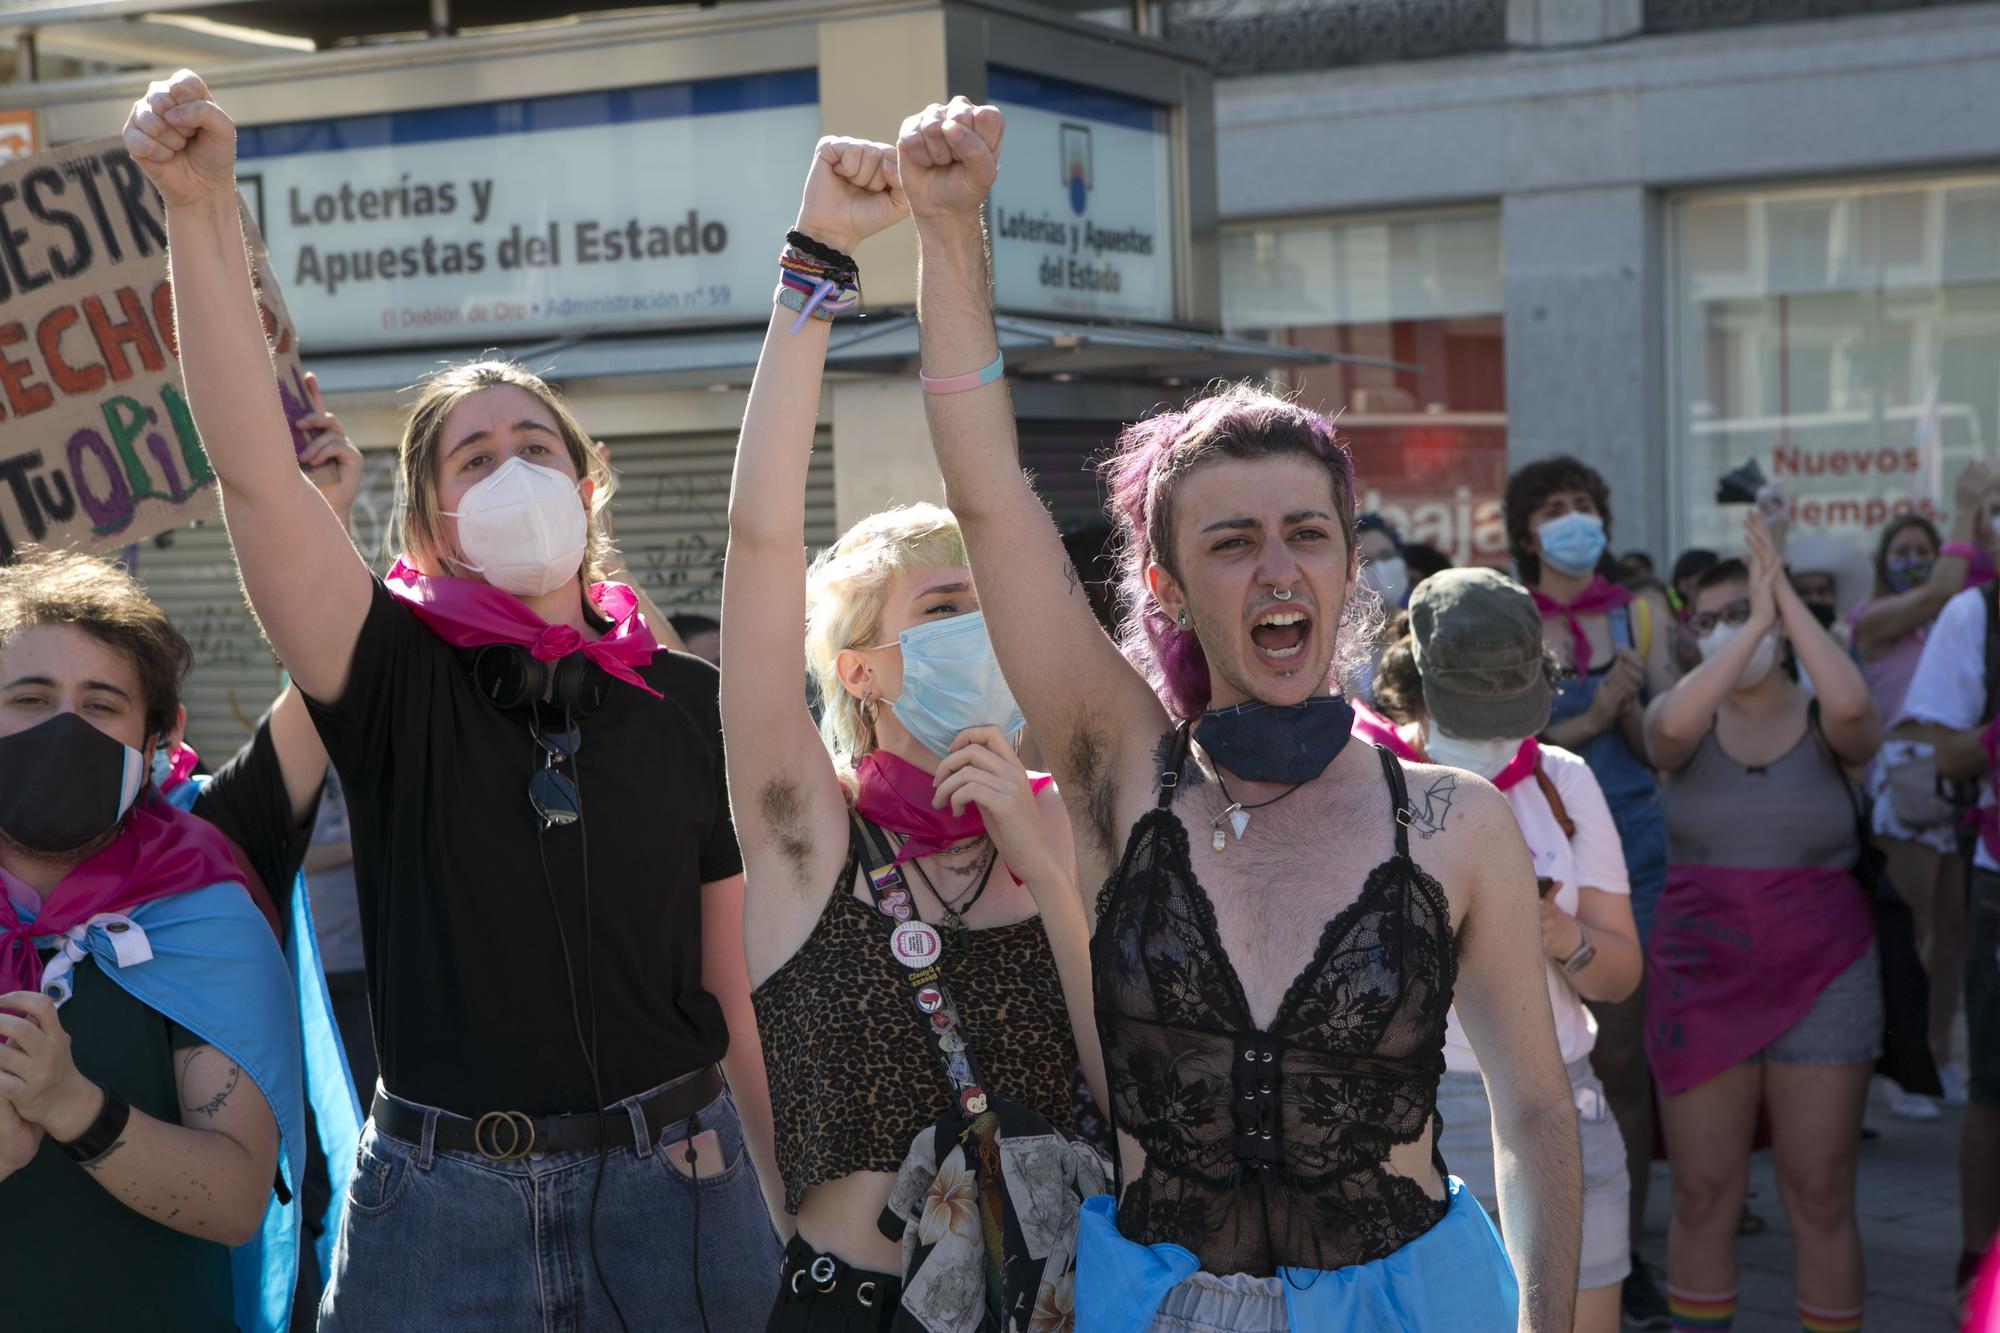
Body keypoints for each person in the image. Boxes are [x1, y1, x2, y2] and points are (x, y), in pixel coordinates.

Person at [900, 96, 1580, 1332]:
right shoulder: (1118, 768)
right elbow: (988, 497)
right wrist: (951, 233)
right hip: (1158, 1300)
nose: (1277, 568)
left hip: (1416, 1302)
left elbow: (1533, 1111)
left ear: (1343, 567)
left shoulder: (1451, 821)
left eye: (1305, 534)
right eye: (1231, 541)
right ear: (1165, 583)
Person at [126, 70, 780, 1331]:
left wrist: (784, 1204)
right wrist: (201, 212)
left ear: (589, 489)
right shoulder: (386, 676)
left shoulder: (688, 703)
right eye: (473, 457)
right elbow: (255, 478)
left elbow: (732, 991)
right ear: (429, 519)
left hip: (682, 1194)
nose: (512, 469)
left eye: (537, 447)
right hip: (442, 1215)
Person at [721, 134, 1096, 1331]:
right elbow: (759, 544)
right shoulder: (807, 836)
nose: (981, 632)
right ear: (864, 670)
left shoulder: (1071, 818)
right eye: (945, 608)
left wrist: (1048, 874)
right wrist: (815, 261)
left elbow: (1132, 1091)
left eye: (994, 602)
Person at [0, 550, 304, 1333]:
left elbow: (239, 1201)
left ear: (153, 741)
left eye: (101, 705)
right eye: (31, 697)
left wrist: (74, 1107)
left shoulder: (202, 919)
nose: (65, 727)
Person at [1364, 572, 1643, 1333]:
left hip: (1563, 1098)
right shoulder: (1363, 780)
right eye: (1471, 712)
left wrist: (1557, 934)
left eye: (1506, 712)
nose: (1492, 738)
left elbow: (1621, 975)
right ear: (1413, 681)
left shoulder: (1564, 780)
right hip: (1411, 1113)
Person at [1643, 511, 1883, 1333]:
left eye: (1747, 613)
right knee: (1706, 1189)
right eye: (1710, 620)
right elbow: (1669, 731)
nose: (1733, 632)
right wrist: (1747, 630)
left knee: (1819, 1188)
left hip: (1826, 967)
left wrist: (1776, 594)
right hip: (1700, 967)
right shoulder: (1679, 717)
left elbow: (1855, 702)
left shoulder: (1826, 719)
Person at [1504, 455, 1676, 1329]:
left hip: (1628, 841)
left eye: (1585, 505)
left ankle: (1626, 1244)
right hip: (1535, 836)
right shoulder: (1504, 617)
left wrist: (1638, 710)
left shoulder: (1641, 613)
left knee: (1624, 1053)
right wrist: (1595, 713)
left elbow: (1668, 745)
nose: (1574, 519)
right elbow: (1505, 744)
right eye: (1555, 508)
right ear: (1526, 530)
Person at [1850, 462, 1995, 1119]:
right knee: (1912, 932)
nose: (1913, 562)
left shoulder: (1955, 617)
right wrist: (1966, 511)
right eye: (1902, 552)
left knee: (1951, 929)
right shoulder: (1875, 619)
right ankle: (1899, 1067)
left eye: (1924, 551)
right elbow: (1941, 592)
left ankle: (1938, 1055)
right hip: (1907, 774)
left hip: (1956, 783)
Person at [1896, 470, 2000, 1317]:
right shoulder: (1976, 615)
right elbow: (1943, 748)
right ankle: (1978, 1257)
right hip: (1997, 875)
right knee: (1995, 1088)